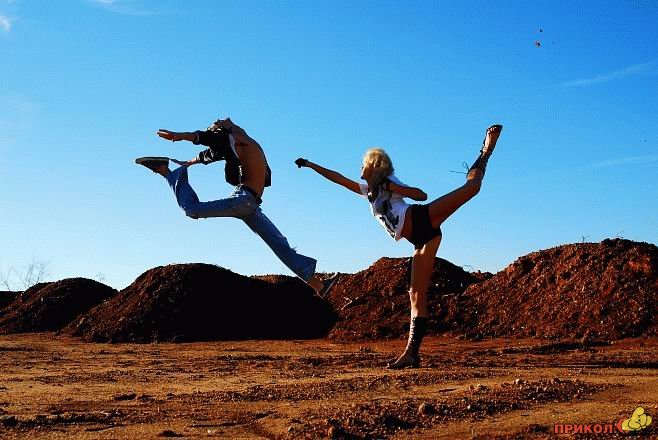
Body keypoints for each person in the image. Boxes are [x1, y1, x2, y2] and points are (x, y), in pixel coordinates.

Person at [295, 124, 502, 368]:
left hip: (422, 218)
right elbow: (338, 179)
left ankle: (485, 152)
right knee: (416, 294)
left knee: (472, 188)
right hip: (421, 239)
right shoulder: (368, 191)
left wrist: (392, 188)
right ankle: (412, 354)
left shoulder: (387, 181)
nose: (359, 168)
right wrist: (310, 165)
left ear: (374, 165)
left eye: (363, 164)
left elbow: (421, 195)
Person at [135, 117, 337, 297]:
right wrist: (190, 161)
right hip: (245, 202)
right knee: (278, 244)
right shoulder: (245, 142)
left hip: (247, 203)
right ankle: (167, 171)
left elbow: (207, 139)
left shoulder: (238, 139)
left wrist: (180, 136)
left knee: (193, 210)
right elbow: (211, 151)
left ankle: (319, 286)